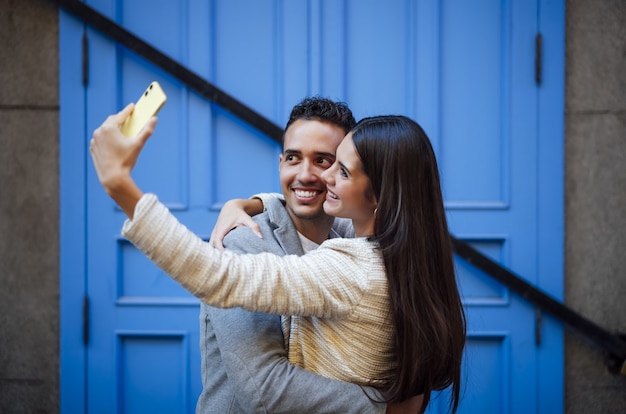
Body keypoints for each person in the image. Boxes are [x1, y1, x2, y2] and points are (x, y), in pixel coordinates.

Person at [90, 106, 467, 412]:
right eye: (292, 158)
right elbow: (260, 387)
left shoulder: (352, 253)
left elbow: (216, 277)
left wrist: (119, 183)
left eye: (331, 162)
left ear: (379, 192)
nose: (314, 176)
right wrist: (247, 203)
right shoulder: (403, 251)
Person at [197, 96, 389, 413]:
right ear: (280, 163)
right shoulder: (244, 245)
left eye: (324, 161)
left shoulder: (354, 234)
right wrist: (385, 408)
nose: (304, 175)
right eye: (293, 158)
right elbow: (263, 390)